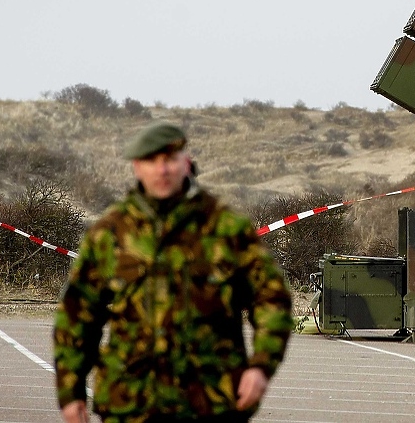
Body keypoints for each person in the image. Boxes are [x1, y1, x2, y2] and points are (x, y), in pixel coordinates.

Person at [53, 121, 293, 422]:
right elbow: (77, 314)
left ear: (186, 162)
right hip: (132, 404)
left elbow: (271, 299)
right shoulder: (110, 234)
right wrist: (70, 391)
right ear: (137, 167)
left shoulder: (225, 229)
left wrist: (261, 366)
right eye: (152, 161)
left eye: (169, 159)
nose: (162, 170)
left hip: (210, 403)